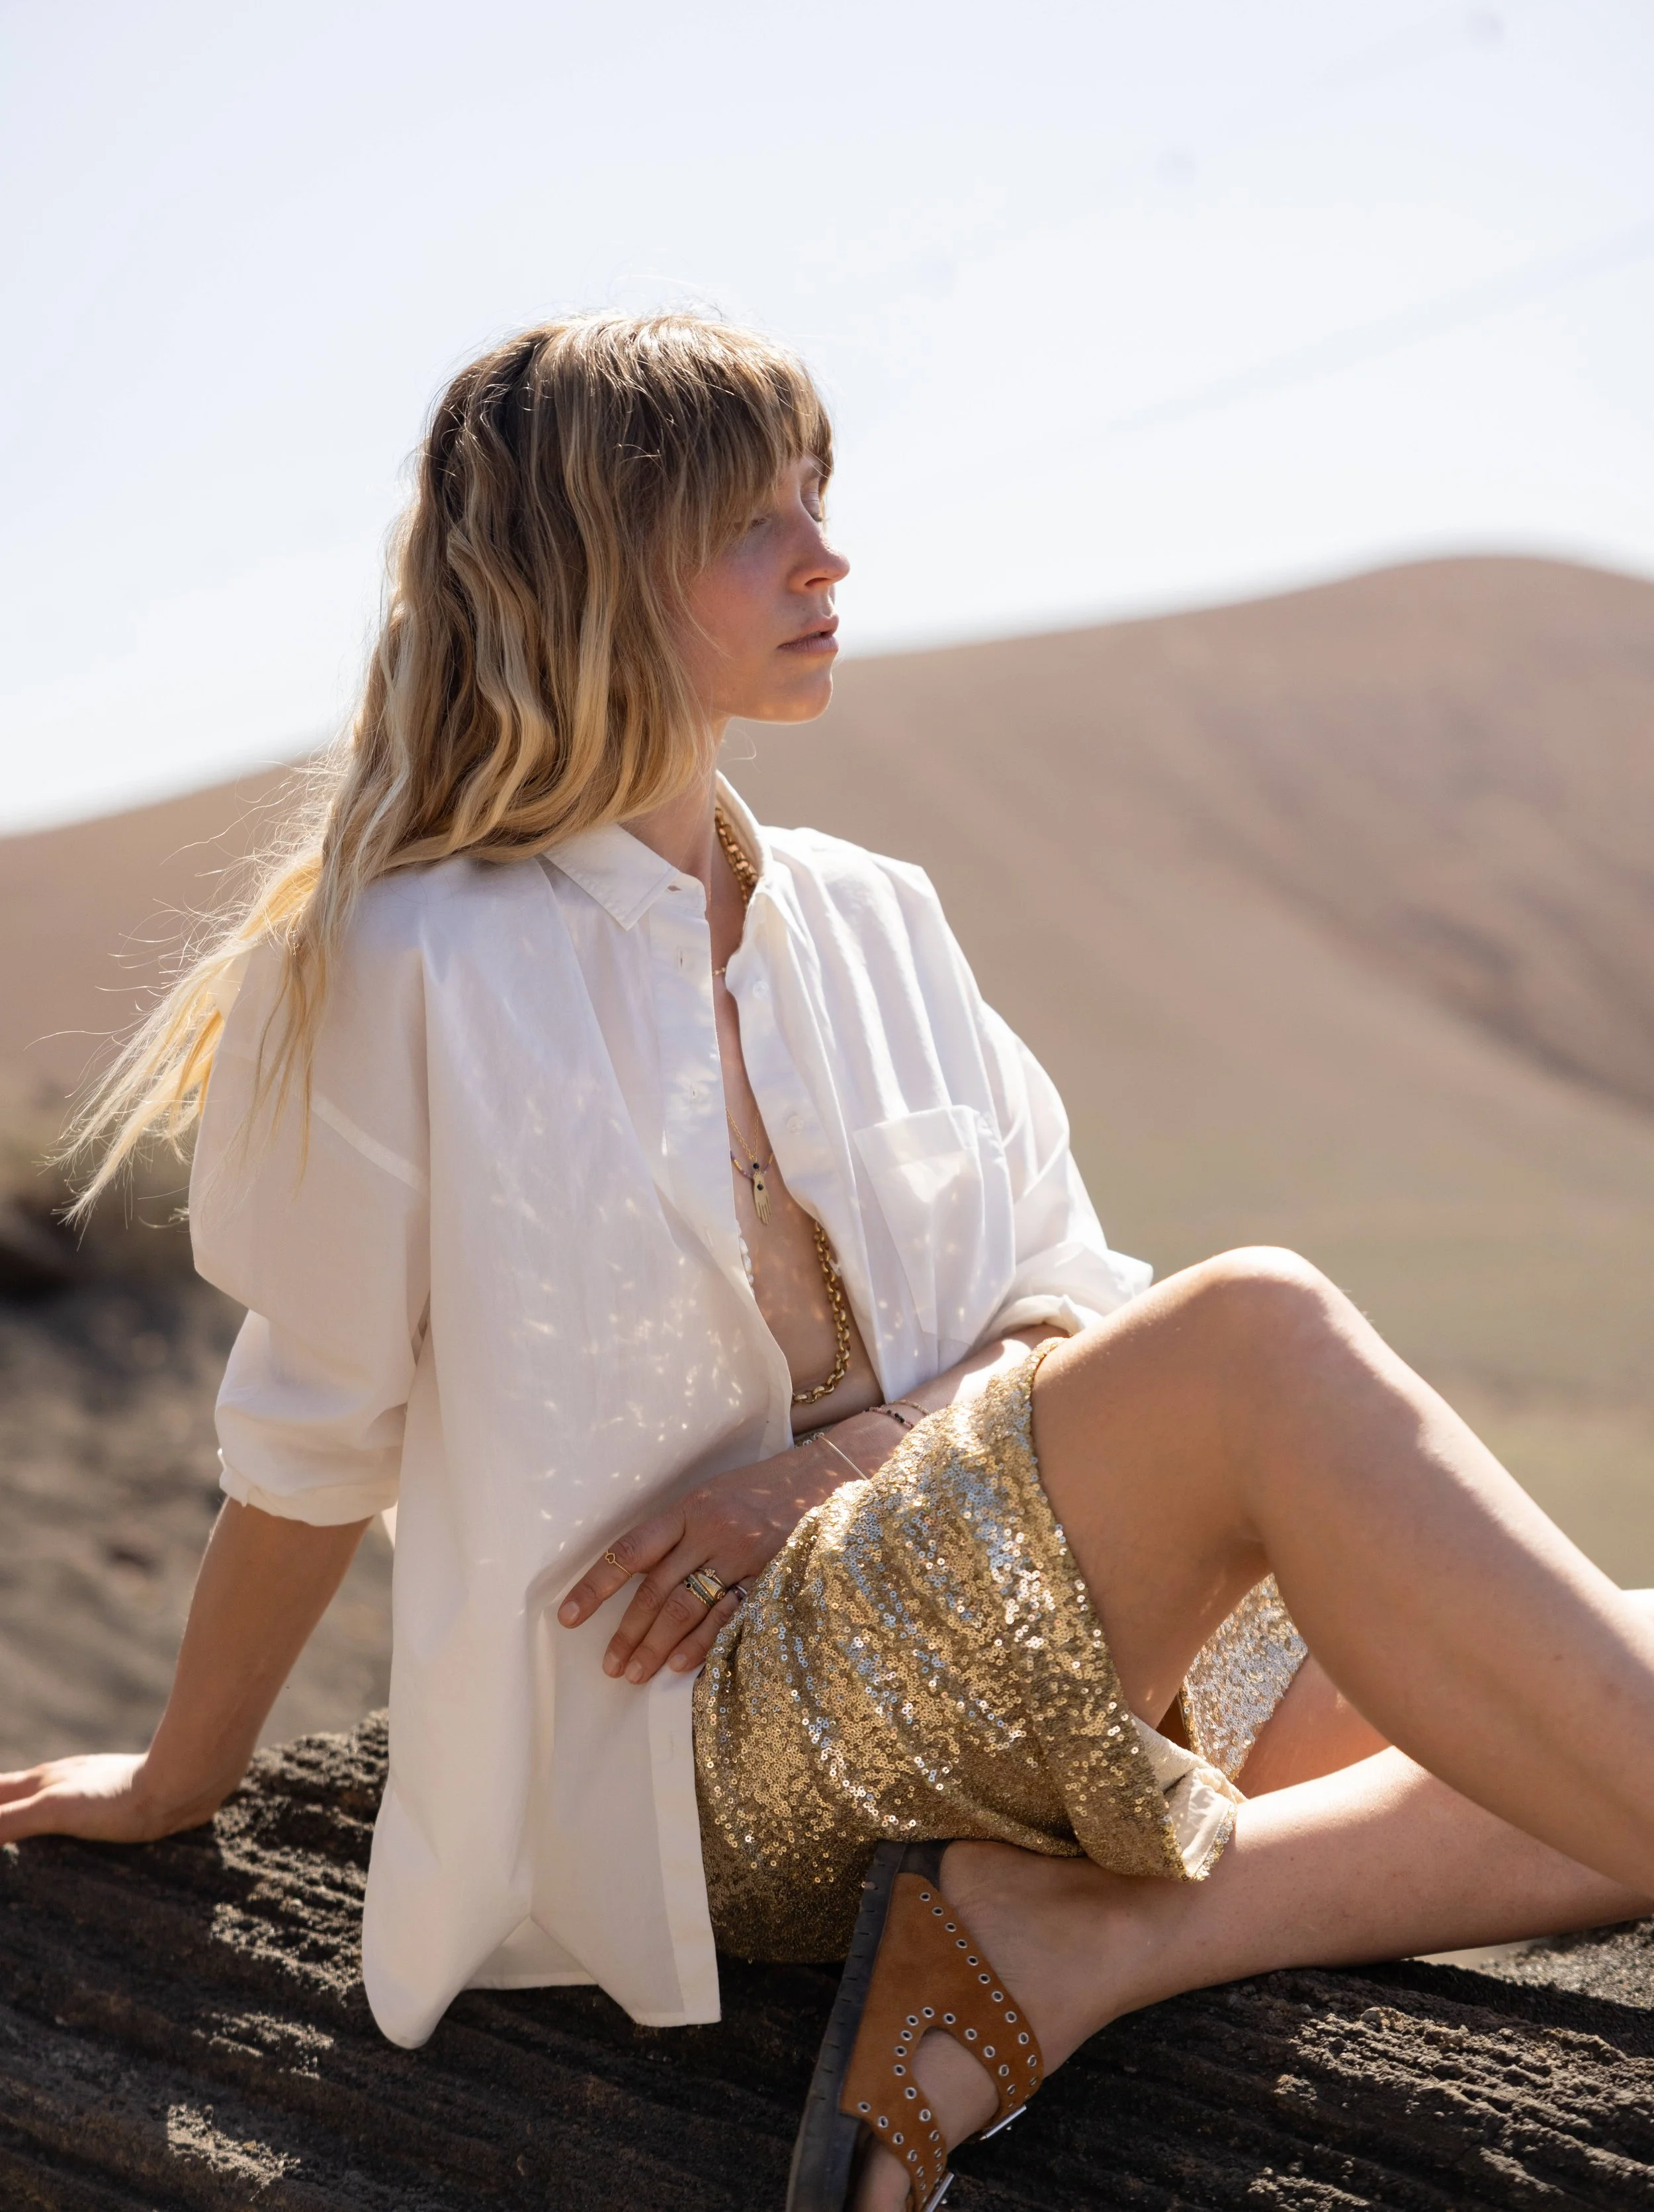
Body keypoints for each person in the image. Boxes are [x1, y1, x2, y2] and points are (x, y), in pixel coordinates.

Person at [3, 314, 1651, 2212]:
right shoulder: (409, 965)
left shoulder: (884, 918)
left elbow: (1066, 1302)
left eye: (818, 500)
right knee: (1265, 1331)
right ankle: (1051, 1919)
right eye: (751, 525)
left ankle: (1076, 1941)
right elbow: (312, 1434)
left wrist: (828, 1469)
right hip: (695, 1736)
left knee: (1603, 1655)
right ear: (587, 575)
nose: (826, 560)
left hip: (1013, 1632)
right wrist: (182, 1772)